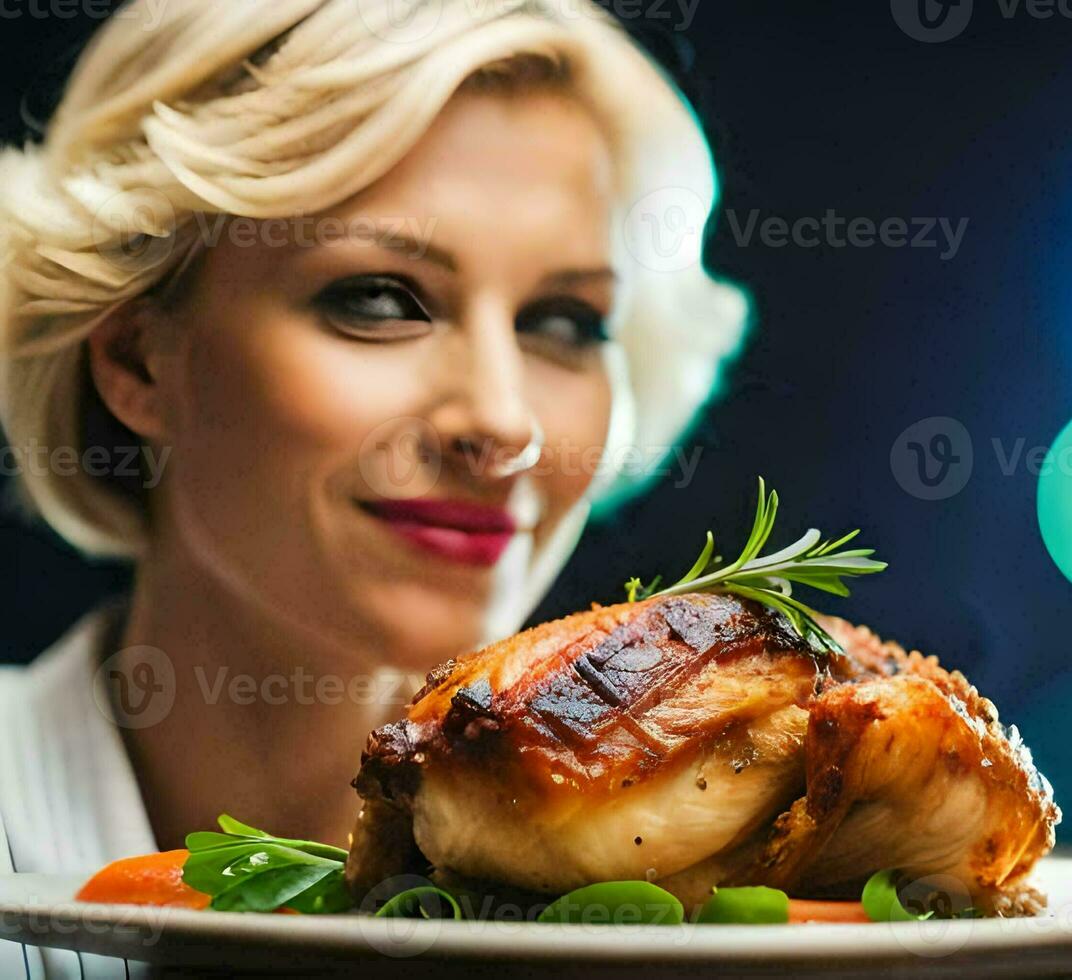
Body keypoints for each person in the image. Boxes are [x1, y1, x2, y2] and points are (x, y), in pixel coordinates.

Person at [0, 3, 745, 972]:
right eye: (380, 299)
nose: (503, 421)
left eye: (563, 321)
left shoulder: (727, 894)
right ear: (138, 359)